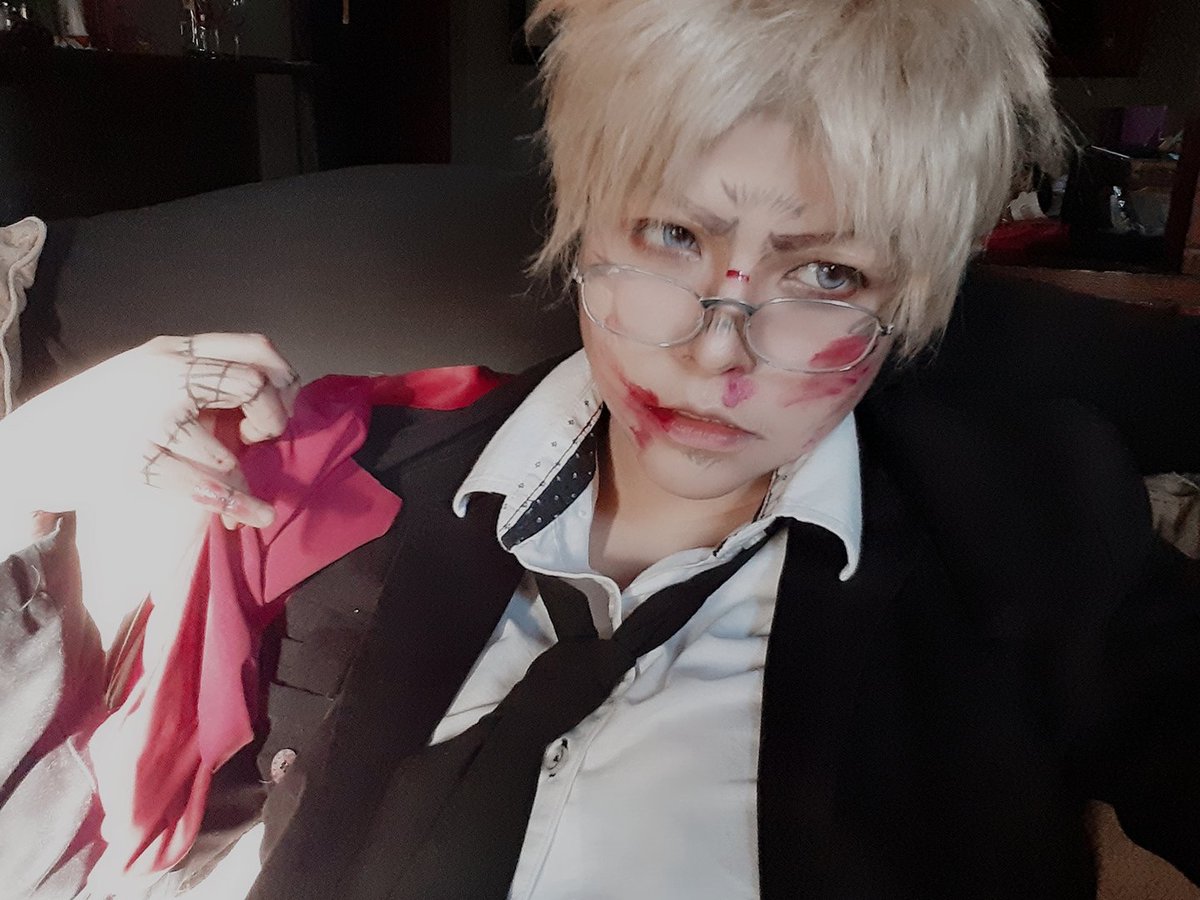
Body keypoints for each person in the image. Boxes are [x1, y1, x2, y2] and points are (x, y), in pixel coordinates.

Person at [2, 0, 1198, 898]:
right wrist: (20, 480)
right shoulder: (357, 480)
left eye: (827, 274)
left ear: (911, 298)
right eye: (672, 235)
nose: (717, 349)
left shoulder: (1037, 527)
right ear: (584, 220)